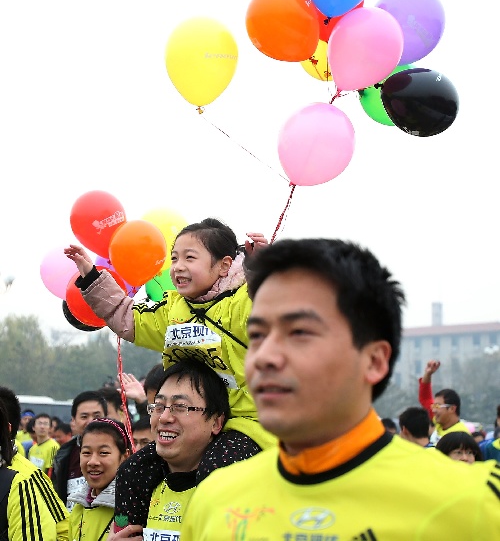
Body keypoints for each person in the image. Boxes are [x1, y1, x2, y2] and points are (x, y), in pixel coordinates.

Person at [180, 237, 500, 540]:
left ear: (374, 360)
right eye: (258, 335)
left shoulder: (476, 503)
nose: (264, 357)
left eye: (300, 333)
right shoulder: (214, 497)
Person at [66, 219, 276, 522]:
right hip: (186, 426)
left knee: (217, 472)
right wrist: (91, 277)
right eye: (174, 257)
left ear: (223, 265)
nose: (177, 266)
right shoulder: (171, 309)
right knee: (133, 471)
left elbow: (272, 304)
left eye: (190, 258)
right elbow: (126, 317)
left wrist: (263, 269)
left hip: (243, 424)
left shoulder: (243, 303)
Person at [110, 357, 230, 539]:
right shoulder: (138, 481)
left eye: (180, 407)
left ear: (216, 422)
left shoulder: (235, 493)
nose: (164, 417)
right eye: (158, 406)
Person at [0, 387, 70, 541]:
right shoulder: (32, 448)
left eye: (45, 423)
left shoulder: (27, 478)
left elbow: (64, 528)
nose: (41, 427)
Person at [68, 418, 132, 541]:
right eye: (86, 452)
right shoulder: (78, 507)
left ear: (124, 457)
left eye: (103, 452)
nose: (93, 462)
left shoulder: (132, 506)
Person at [52, 390, 108, 509]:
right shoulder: (64, 455)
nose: (91, 421)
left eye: (97, 416)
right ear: (73, 421)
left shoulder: (118, 451)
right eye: (84, 416)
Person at [418, 359, 470, 444]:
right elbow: (425, 398)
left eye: (437, 406)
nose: (434, 410)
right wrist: (428, 374)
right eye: (434, 406)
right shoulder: (439, 422)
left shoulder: (461, 435)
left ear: (452, 409)